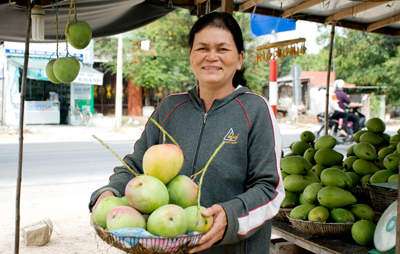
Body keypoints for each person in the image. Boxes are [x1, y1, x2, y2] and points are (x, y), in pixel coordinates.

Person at [89, 12, 284, 254]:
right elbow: (136, 166)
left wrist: (230, 216)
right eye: (202, 48)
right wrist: (111, 193)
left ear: (239, 59)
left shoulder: (255, 110)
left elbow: (270, 189)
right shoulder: (169, 108)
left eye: (222, 49)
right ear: (191, 56)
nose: (211, 56)